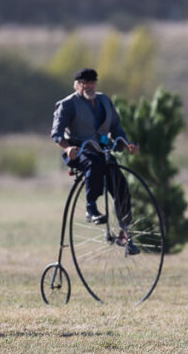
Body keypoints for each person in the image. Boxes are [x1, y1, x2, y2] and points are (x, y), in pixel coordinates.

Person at [50, 67, 141, 253]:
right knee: (94, 164)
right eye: (85, 83)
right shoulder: (68, 104)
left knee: (120, 185)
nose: (89, 86)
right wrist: (67, 148)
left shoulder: (104, 101)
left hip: (103, 151)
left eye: (92, 82)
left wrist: (125, 143)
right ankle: (91, 208)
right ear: (77, 85)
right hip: (80, 152)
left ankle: (125, 233)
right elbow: (57, 134)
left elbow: (116, 128)